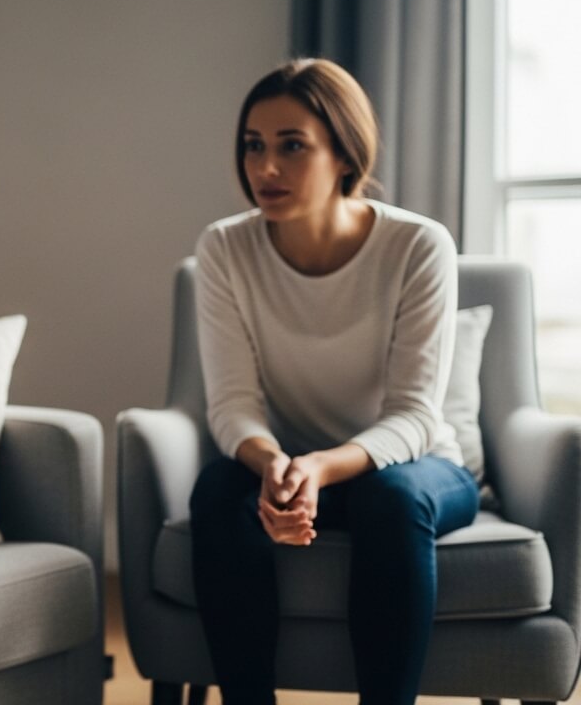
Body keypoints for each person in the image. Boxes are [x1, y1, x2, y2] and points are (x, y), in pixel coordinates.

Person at [189, 58, 479, 705]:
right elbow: (232, 403)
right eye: (253, 146)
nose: (265, 168)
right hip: (292, 466)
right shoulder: (224, 249)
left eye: (292, 146)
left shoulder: (417, 246)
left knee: (391, 498)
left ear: (345, 156)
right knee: (216, 490)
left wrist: (318, 468)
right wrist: (276, 467)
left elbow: (414, 416)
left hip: (418, 469)